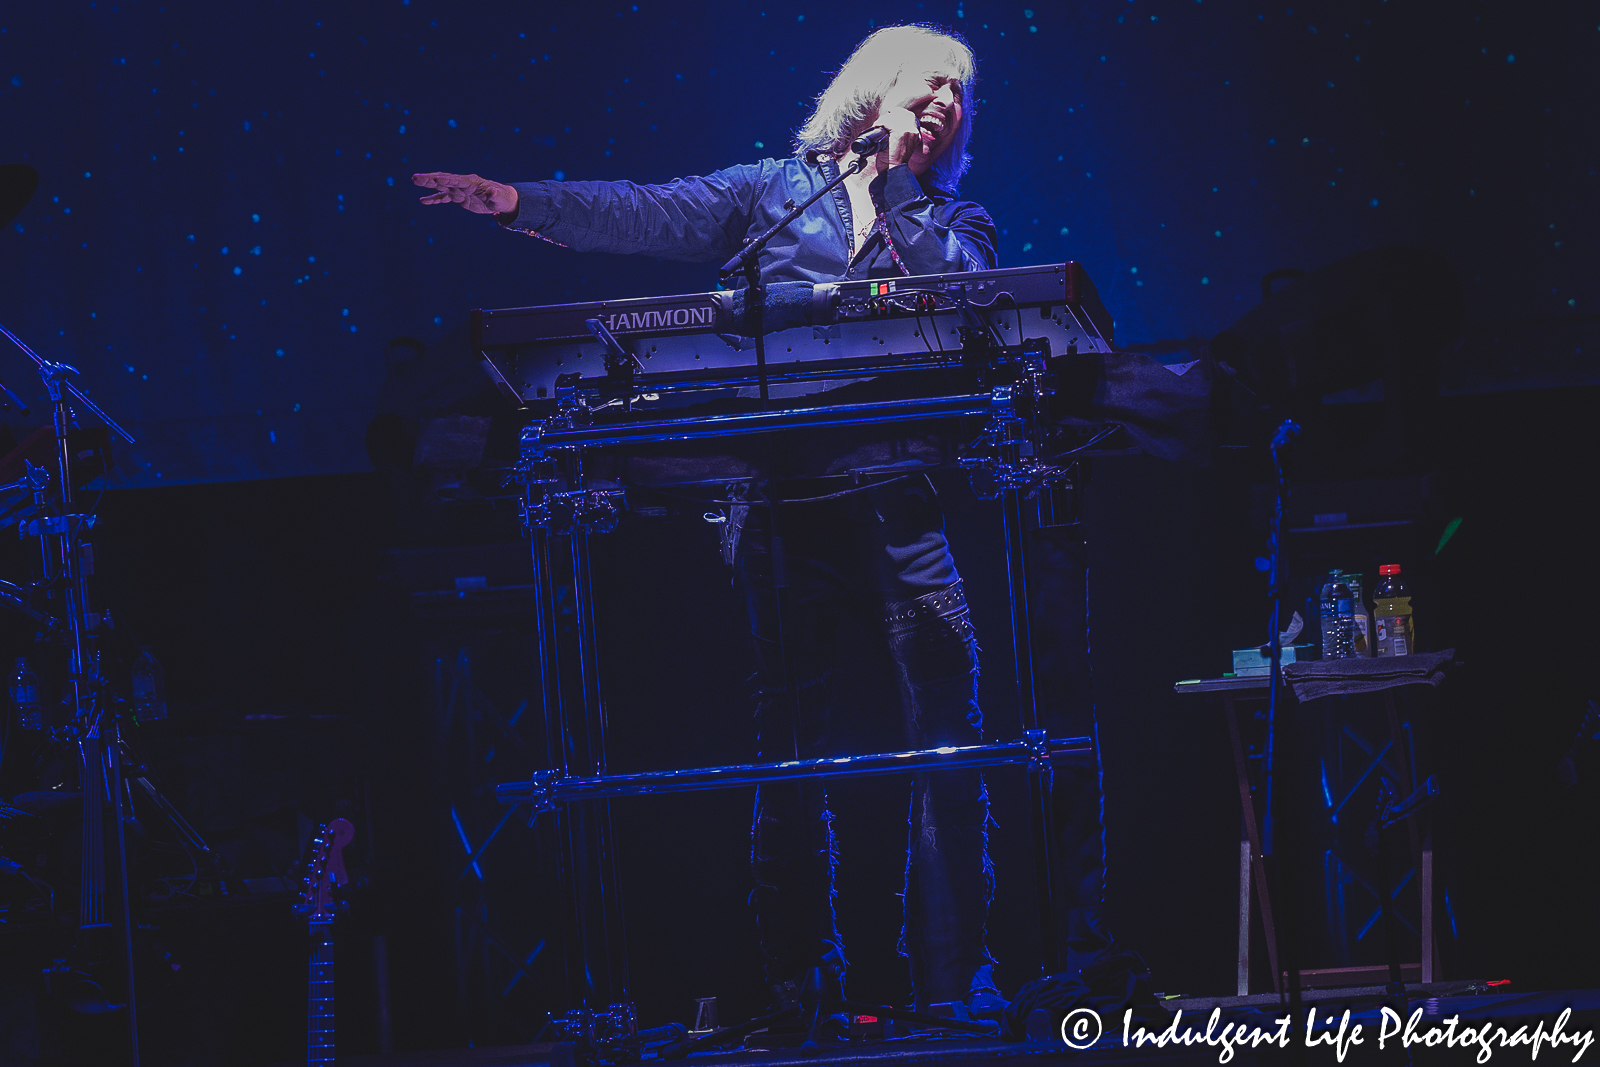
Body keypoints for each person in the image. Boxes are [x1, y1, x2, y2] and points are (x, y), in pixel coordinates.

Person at [414, 24, 1012, 1015]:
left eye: (961, 91)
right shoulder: (777, 194)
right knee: (788, 741)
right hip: (779, 497)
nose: (948, 99)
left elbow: (950, 298)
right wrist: (518, 203)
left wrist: (903, 187)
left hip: (895, 497)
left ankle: (958, 977)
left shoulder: (962, 218)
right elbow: (643, 214)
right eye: (929, 82)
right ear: (873, 91)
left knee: (946, 734)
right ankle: (797, 978)